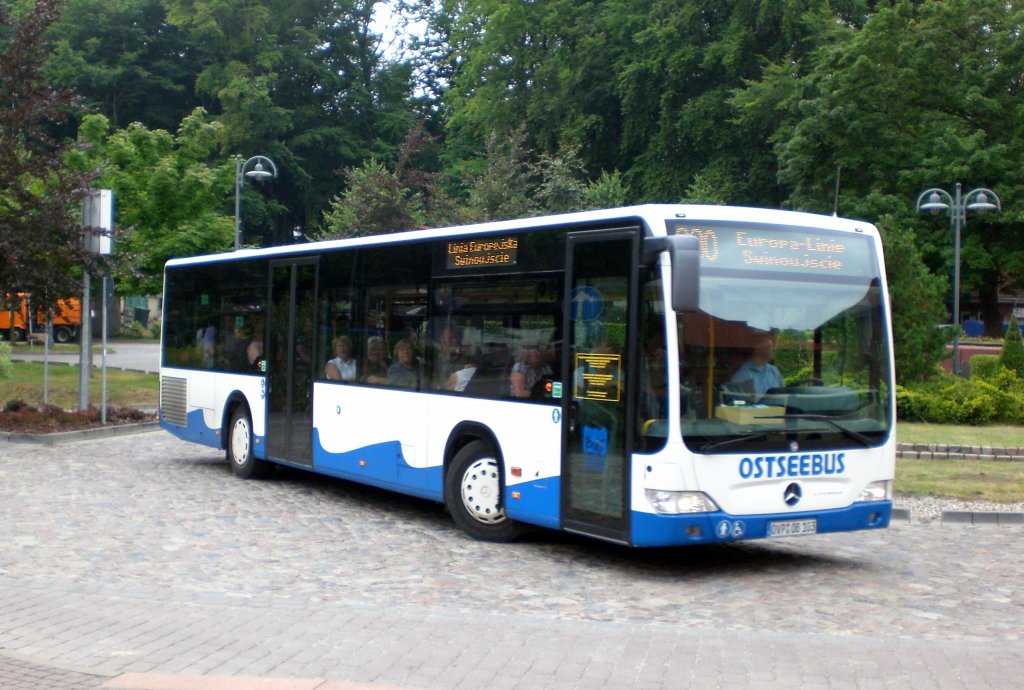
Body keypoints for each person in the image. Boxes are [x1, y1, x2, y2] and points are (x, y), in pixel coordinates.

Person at [730, 331, 783, 396]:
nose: (773, 350)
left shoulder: (774, 372)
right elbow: (736, 403)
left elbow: (782, 397)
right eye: (770, 347)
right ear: (757, 347)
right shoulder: (742, 375)